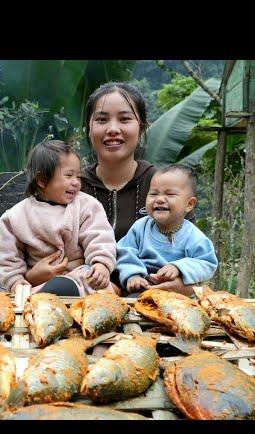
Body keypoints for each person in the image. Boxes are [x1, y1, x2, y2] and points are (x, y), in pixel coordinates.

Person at [79, 81, 196, 296]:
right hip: (84, 302)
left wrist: (182, 283)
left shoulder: (165, 187)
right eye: (102, 120)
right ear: (88, 128)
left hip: (151, 303)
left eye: (124, 119)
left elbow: (194, 255)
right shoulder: (72, 187)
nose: (113, 129)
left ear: (141, 127)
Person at [0, 139, 116, 297]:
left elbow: (99, 237)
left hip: (82, 279)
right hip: (40, 286)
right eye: (68, 175)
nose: (76, 182)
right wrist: (17, 283)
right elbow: (8, 260)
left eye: (78, 177)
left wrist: (101, 265)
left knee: (91, 287)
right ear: (42, 180)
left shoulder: (87, 206)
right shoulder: (15, 217)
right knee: (45, 293)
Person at [116, 164, 218, 296]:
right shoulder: (140, 227)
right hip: (144, 288)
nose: (159, 199)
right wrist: (133, 275)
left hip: (179, 294)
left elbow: (207, 262)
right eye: (153, 194)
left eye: (170, 194)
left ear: (189, 204)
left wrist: (179, 268)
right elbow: (125, 252)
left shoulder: (193, 236)